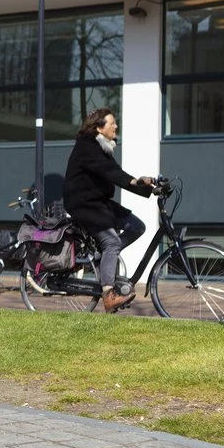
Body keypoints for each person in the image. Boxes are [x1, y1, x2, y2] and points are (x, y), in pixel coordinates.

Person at [63, 108, 156, 313]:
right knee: (112, 242)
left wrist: (147, 187)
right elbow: (110, 172)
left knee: (137, 227)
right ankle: (109, 294)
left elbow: (117, 173)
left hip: (99, 203)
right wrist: (135, 181)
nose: (116, 126)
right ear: (99, 127)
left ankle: (102, 256)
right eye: (112, 123)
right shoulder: (87, 146)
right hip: (83, 204)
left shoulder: (102, 146)